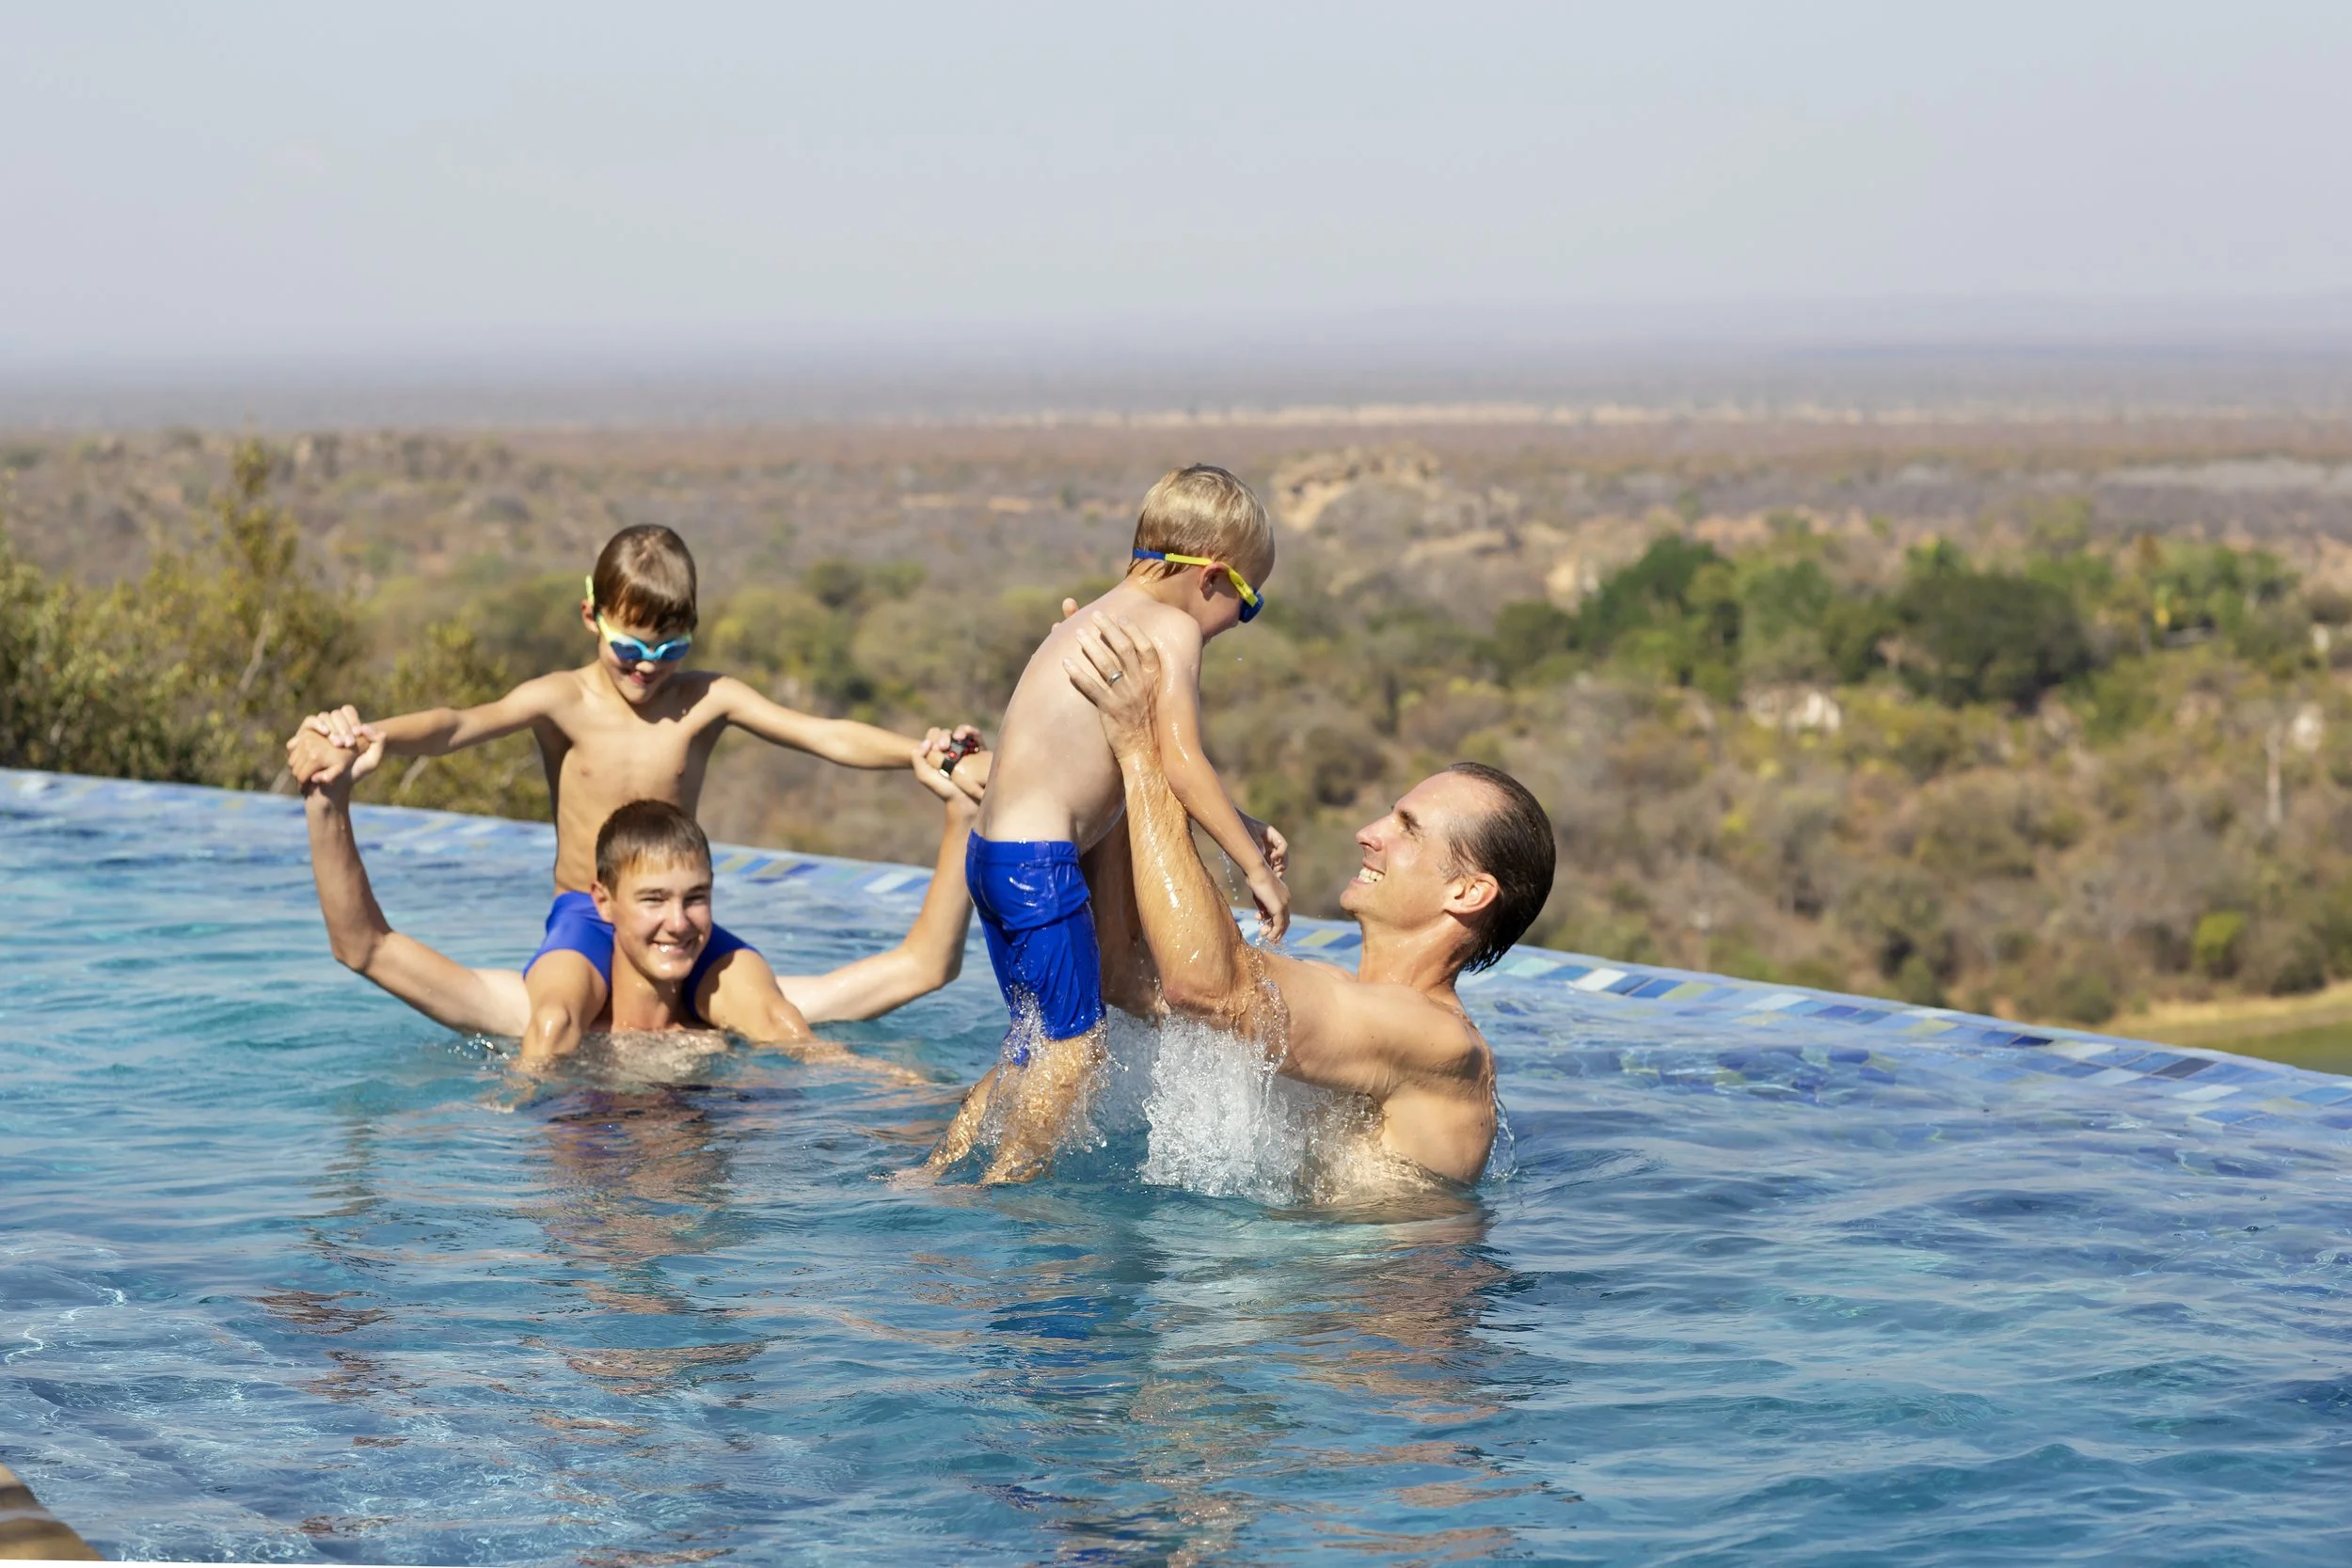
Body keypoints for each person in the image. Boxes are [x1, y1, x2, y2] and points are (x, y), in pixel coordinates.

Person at [286, 524, 977, 1062]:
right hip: (585, 916)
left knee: (779, 1022)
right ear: (591, 615)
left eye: (669, 649)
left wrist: (919, 755)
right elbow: (460, 723)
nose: (649, 668)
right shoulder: (564, 699)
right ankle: (527, 1139)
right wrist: (381, 735)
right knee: (553, 1023)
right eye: (631, 648)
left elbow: (823, 734)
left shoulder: (706, 699)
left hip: (677, 916)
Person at [1055, 613, 1555, 1186]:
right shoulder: (1343, 998)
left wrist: (1144, 750)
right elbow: (1123, 974)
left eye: (1407, 828)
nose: (1368, 832)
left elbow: (1205, 984)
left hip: (1385, 1280)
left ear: (1468, 892)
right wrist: (1114, 741)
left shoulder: (1442, 1042)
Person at [930, 465, 1289, 1182]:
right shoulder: (1173, 629)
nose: (1235, 625)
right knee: (1076, 1049)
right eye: (1247, 606)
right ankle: (1006, 1189)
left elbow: (1151, 759)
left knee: (1030, 1046)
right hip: (1039, 866)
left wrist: (1240, 817)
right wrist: (1249, 863)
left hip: (992, 856)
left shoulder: (1094, 617)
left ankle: (938, 1170)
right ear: (1213, 577)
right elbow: (1182, 762)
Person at [299, 722, 990, 1073]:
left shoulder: (746, 1021)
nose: (678, 922)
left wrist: (960, 815)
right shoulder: (541, 1018)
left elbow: (923, 966)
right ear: (603, 903)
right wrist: (327, 805)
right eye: (654, 899)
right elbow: (365, 946)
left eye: (696, 899)